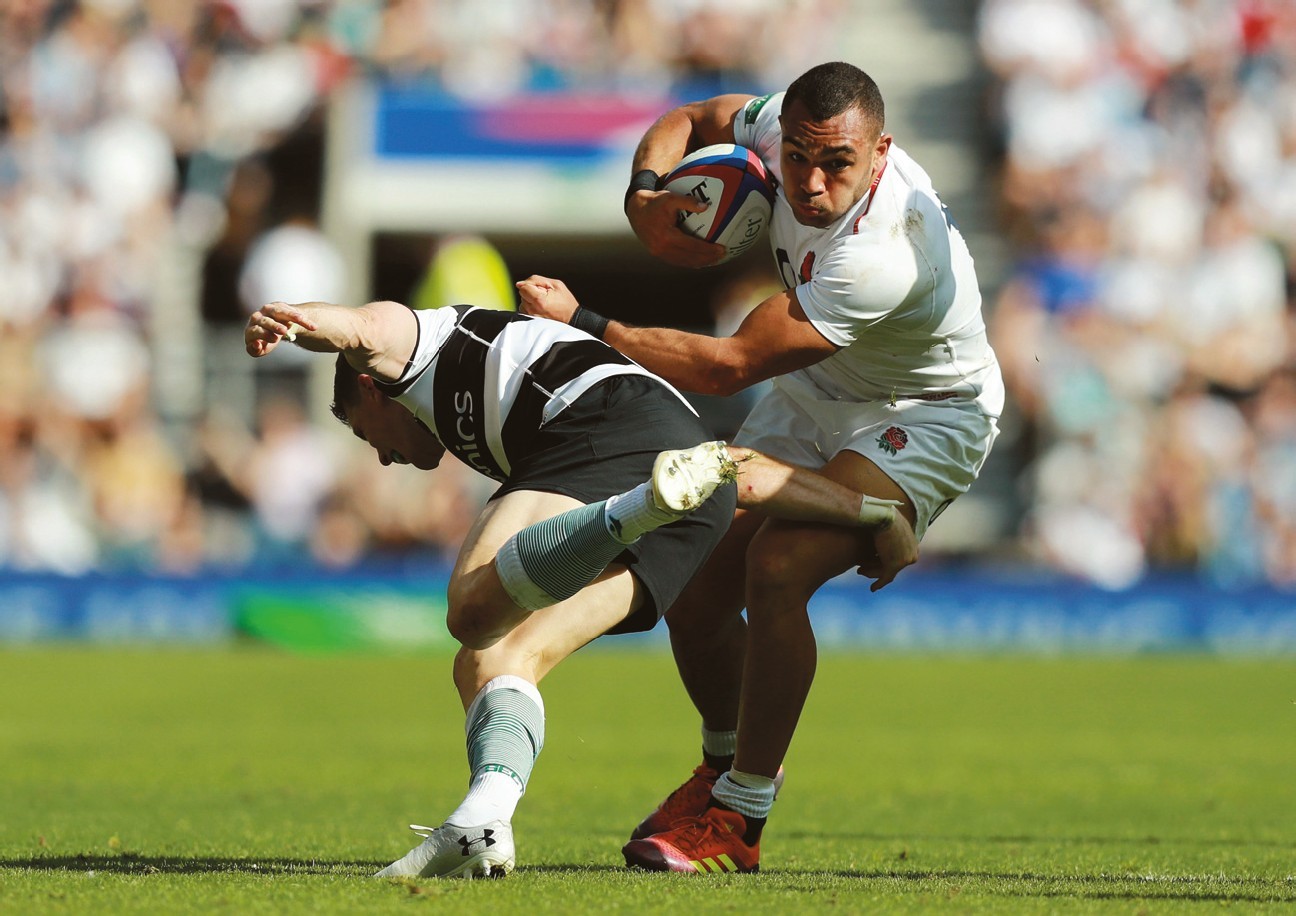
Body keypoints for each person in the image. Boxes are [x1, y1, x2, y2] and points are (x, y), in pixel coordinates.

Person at [518, 60, 1004, 874]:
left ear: (880, 151)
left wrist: (586, 321)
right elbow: (691, 117)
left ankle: (740, 816)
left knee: (777, 567)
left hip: (924, 413)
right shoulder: (784, 125)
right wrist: (646, 196)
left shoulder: (882, 252)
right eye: (799, 157)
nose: (809, 183)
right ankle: (720, 769)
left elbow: (726, 367)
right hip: (819, 391)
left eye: (837, 163)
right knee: (693, 573)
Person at [243, 295, 918, 879]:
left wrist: (295, 321)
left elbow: (362, 327)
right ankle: (483, 822)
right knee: (492, 657)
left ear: (368, 389)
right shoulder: (553, 412)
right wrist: (877, 514)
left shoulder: (419, 345)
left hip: (600, 427)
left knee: (472, 610)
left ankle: (634, 510)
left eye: (362, 431)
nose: (382, 455)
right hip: (684, 481)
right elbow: (728, 470)